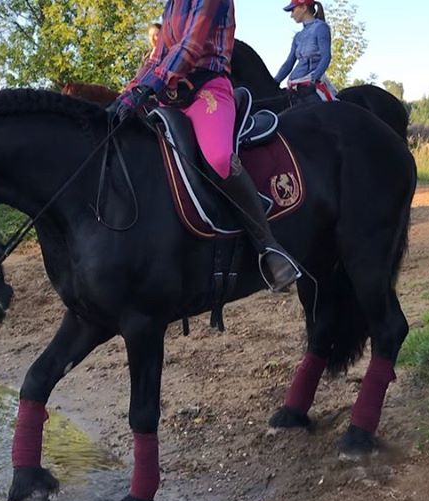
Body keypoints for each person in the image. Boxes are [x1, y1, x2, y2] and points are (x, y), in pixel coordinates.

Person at [107, 0, 300, 293]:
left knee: (219, 157)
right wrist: (128, 94)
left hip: (208, 89)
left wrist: (150, 87)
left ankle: (269, 247)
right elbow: (157, 56)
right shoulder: (172, 5)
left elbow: (191, 46)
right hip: (169, 96)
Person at [274, 0, 337, 104]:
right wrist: (274, 82)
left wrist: (314, 79)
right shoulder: (298, 36)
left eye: (293, 10)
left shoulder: (321, 27)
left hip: (312, 86)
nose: (291, 15)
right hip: (294, 86)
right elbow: (289, 63)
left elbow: (326, 57)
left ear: (304, 8)